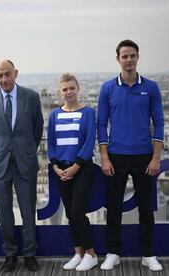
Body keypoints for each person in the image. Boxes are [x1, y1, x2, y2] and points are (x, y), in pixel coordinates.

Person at [97, 40, 164, 272]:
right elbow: (101, 124)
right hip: (115, 156)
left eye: (132, 55)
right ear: (118, 59)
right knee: (113, 208)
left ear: (138, 57)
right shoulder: (107, 88)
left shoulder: (151, 87)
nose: (128, 60)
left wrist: (156, 158)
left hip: (144, 156)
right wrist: (104, 158)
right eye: (124, 56)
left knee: (146, 209)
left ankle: (148, 254)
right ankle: (113, 252)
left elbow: (160, 124)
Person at [0, 59, 44, 272]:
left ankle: (30, 254)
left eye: (7, 74)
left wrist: (25, 149)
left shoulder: (32, 97)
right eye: (0, 75)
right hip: (0, 162)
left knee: (28, 210)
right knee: (4, 211)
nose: (4, 79)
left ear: (16, 73)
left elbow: (38, 128)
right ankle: (10, 254)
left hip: (24, 160)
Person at [47, 73, 97, 271]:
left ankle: (91, 253)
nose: (68, 92)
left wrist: (75, 167)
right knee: (70, 213)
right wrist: (56, 166)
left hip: (81, 169)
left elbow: (89, 141)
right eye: (65, 89)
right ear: (60, 92)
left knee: (77, 213)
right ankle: (78, 252)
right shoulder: (54, 115)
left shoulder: (88, 112)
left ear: (78, 88)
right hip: (62, 170)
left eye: (71, 88)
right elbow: (51, 142)